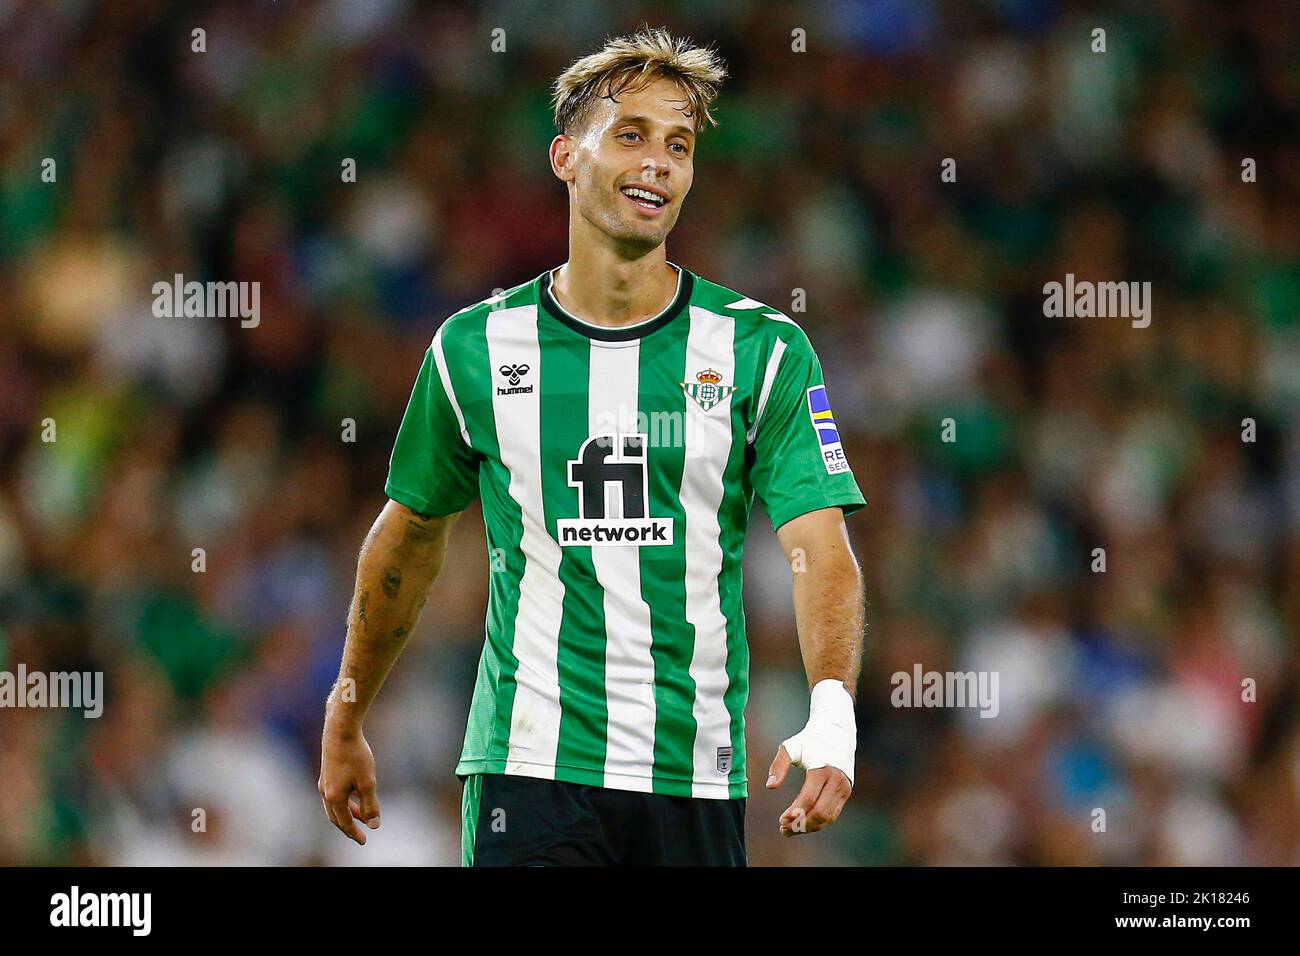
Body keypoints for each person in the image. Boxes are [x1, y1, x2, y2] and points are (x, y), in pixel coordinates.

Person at [319, 25, 866, 866]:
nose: (658, 161)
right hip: (529, 768)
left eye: (678, 146)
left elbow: (819, 546)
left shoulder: (763, 349)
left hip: (693, 776)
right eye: (632, 135)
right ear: (566, 156)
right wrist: (348, 710)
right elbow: (408, 540)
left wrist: (833, 707)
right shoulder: (476, 347)